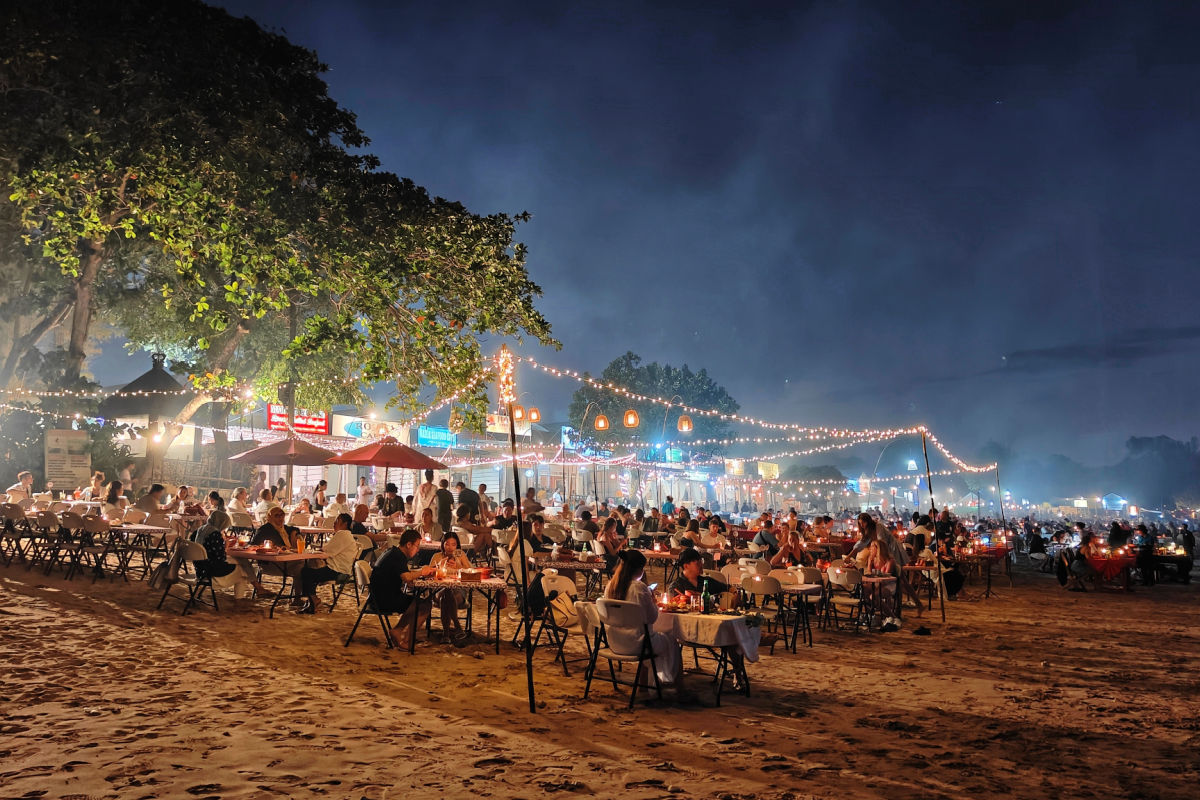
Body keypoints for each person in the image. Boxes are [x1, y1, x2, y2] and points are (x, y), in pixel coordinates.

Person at [602, 549, 680, 686]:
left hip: (615, 641)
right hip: (638, 643)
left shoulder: (610, 586)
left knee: (653, 637)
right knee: (671, 639)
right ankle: (675, 684)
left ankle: (646, 683)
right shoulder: (639, 588)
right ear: (639, 569)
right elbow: (652, 618)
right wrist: (653, 601)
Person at [370, 529, 435, 646]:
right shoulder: (397, 556)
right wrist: (422, 572)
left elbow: (402, 575)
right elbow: (406, 577)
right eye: (417, 546)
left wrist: (413, 577)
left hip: (377, 596)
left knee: (418, 602)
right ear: (409, 544)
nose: (418, 549)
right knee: (425, 605)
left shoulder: (392, 552)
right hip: (383, 600)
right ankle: (407, 641)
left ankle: (398, 630)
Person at [297, 513, 359, 613]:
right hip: (341, 568)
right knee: (309, 569)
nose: (334, 523)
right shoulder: (346, 535)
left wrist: (319, 551)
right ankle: (312, 598)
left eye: (337, 521)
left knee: (306, 572)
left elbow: (327, 551)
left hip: (337, 570)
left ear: (345, 524)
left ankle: (313, 599)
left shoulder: (343, 534)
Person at [192, 509, 260, 599]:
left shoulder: (200, 530)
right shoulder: (214, 534)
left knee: (243, 563)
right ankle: (240, 600)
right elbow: (221, 558)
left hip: (200, 567)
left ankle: (258, 588)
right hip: (211, 571)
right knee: (243, 571)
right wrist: (226, 546)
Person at [429, 531, 472, 639]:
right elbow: (429, 574)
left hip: (458, 590)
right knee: (446, 592)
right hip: (438, 590)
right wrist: (439, 566)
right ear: (443, 544)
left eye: (453, 544)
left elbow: (471, 572)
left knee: (447, 595)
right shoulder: (437, 556)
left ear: (457, 545)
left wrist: (458, 566)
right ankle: (457, 627)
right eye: (447, 544)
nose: (450, 547)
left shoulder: (460, 555)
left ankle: (446, 635)